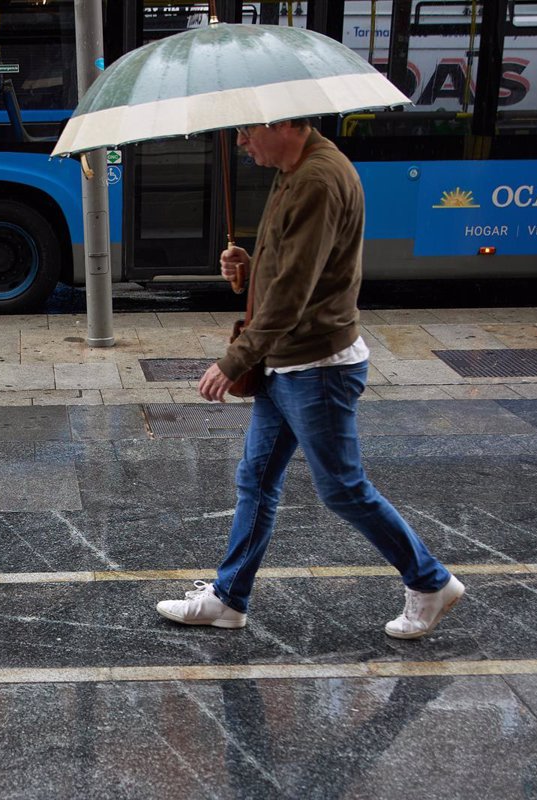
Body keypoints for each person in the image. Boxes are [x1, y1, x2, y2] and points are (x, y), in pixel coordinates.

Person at [155, 119, 463, 640]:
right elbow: (299, 268)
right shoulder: (295, 170)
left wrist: (233, 360)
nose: (241, 142)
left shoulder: (319, 180)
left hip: (316, 368)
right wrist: (249, 269)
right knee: (256, 478)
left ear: (282, 124)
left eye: (248, 131)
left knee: (342, 488)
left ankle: (430, 581)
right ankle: (230, 598)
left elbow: (293, 295)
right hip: (288, 362)